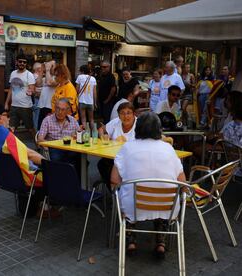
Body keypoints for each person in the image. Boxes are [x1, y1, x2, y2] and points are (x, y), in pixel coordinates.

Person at [110, 112, 186, 257]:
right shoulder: (169, 149)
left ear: (137, 129)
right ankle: (161, 244)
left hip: (134, 207)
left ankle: (131, 241)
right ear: (159, 130)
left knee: (128, 193)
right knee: (161, 196)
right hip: (167, 208)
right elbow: (182, 182)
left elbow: (114, 180)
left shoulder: (127, 148)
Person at [97, 102, 136, 189]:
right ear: (118, 115)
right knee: (102, 164)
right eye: (122, 113)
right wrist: (103, 136)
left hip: (132, 159)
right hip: (114, 157)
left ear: (134, 114)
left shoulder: (139, 125)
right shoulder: (116, 122)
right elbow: (101, 129)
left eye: (129, 113)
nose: (126, 116)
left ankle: (122, 190)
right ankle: (115, 192)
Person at [38, 98, 80, 171]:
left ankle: (76, 180)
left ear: (68, 110)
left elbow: (78, 135)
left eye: (63, 110)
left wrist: (77, 135)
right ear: (54, 108)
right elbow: (40, 139)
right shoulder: (47, 120)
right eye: (57, 108)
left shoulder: (72, 120)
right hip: (54, 148)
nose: (60, 112)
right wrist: (49, 145)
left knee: (81, 159)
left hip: (70, 148)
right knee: (57, 158)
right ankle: (59, 179)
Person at [4, 54, 36, 135]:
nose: (22, 63)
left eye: (24, 62)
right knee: (11, 128)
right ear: (16, 62)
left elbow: (32, 89)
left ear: (26, 64)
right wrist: (6, 103)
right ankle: (13, 147)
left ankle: (39, 146)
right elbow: (11, 89)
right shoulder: (13, 73)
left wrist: (30, 92)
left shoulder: (29, 75)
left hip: (26, 107)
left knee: (30, 128)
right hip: (14, 106)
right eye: (20, 61)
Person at [76, 64, 97, 130]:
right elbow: (94, 92)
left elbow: (77, 90)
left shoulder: (79, 77)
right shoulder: (93, 78)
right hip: (90, 102)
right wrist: (95, 103)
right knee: (91, 119)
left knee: (83, 119)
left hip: (82, 101)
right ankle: (94, 135)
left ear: (82, 71)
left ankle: (85, 135)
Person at [37, 60, 57, 129]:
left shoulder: (57, 78)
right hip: (43, 105)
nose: (50, 67)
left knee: (49, 127)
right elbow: (38, 84)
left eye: (52, 65)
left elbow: (49, 82)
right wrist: (41, 71)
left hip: (51, 106)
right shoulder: (45, 77)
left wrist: (48, 70)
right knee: (40, 126)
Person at [32, 62, 44, 130]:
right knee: (37, 117)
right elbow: (38, 84)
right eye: (40, 68)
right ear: (37, 69)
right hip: (37, 99)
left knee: (38, 117)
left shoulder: (38, 75)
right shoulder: (35, 76)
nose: (42, 69)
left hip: (40, 99)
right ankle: (37, 133)